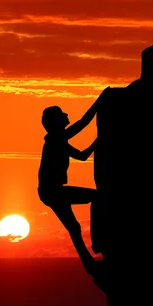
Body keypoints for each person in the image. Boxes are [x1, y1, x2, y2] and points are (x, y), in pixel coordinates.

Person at [37, 91, 107, 274]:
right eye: (62, 115)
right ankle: (98, 242)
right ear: (55, 122)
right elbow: (83, 123)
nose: (67, 116)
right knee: (98, 197)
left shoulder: (58, 141)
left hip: (51, 191)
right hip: (52, 192)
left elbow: (83, 156)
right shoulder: (55, 140)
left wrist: (97, 142)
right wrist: (99, 102)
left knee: (74, 227)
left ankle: (89, 262)